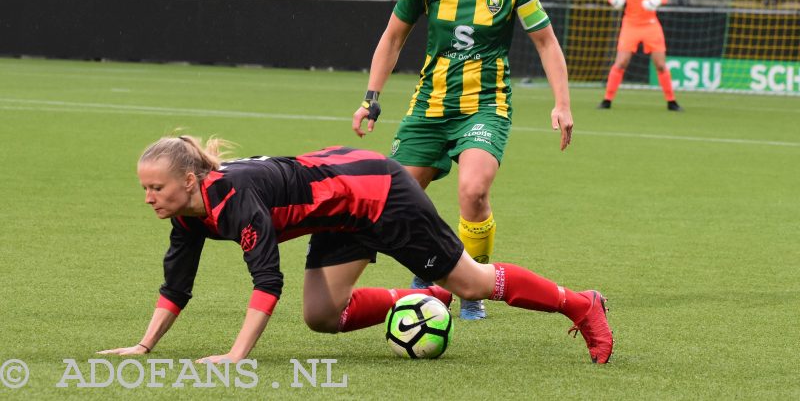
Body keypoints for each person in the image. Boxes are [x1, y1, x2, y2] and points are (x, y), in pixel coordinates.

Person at [99, 136, 613, 364]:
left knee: (474, 282)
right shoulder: (189, 213)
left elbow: (266, 282)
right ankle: (423, 297)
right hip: (339, 207)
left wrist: (236, 356)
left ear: (189, 181)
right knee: (322, 316)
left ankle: (581, 304)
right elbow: (176, 286)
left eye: (155, 189)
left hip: (378, 194)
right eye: (144, 188)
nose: (148, 198)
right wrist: (144, 346)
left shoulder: (232, 199)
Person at [351, 0, 573, 321]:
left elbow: (546, 43)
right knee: (396, 200)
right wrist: (371, 98)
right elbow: (392, 39)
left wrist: (562, 104)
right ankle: (430, 269)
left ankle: (473, 286)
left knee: (473, 191)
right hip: (429, 109)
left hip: (486, 108)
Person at [599, 0, 683, 111]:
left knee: (660, 64)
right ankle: (607, 99)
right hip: (630, 23)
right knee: (621, 61)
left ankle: (671, 101)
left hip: (650, 24)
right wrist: (616, 0)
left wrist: (656, 1)